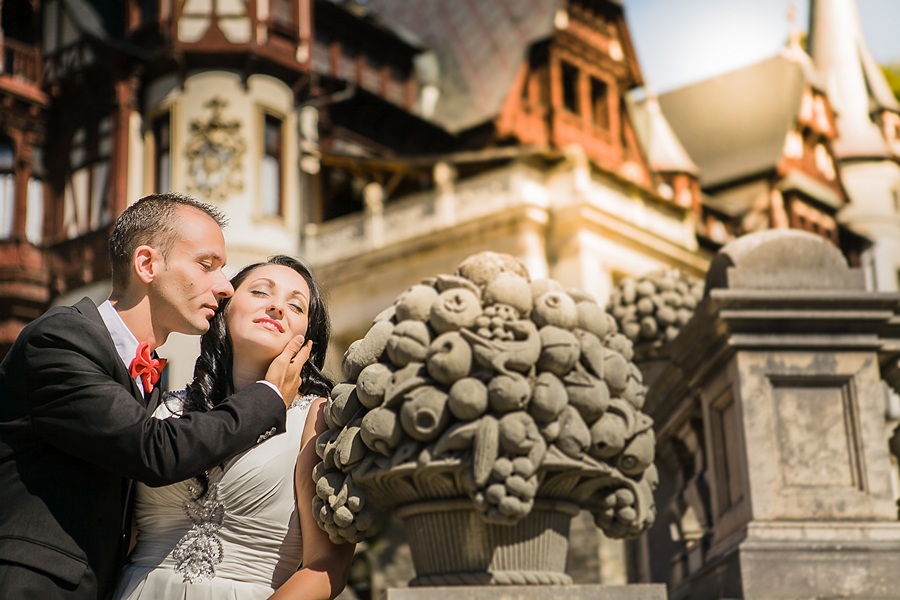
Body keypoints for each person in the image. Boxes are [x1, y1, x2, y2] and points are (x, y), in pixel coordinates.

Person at [0, 193, 310, 600]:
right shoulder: (60, 340)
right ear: (147, 264)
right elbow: (154, 450)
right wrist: (268, 396)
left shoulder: (153, 380)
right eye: (207, 265)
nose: (223, 287)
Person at [114, 255, 355, 600]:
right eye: (260, 292)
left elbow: (328, 566)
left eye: (297, 306)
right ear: (224, 308)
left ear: (307, 338)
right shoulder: (164, 409)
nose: (277, 308)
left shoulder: (317, 421)